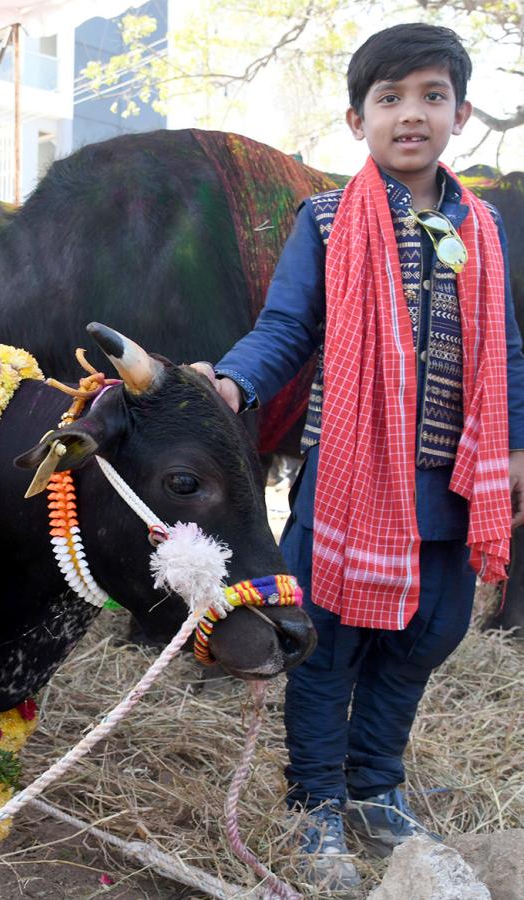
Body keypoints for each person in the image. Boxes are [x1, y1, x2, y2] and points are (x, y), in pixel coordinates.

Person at [194, 22, 524, 892]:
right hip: (345, 482)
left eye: (430, 96)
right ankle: (315, 803)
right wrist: (230, 385)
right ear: (355, 120)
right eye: (389, 99)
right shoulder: (327, 220)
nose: (409, 115)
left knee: (426, 636)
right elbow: (286, 328)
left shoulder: (480, 229)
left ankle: (375, 788)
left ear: (456, 112)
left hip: (451, 483)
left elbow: (507, 349)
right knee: (327, 644)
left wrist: (516, 446)